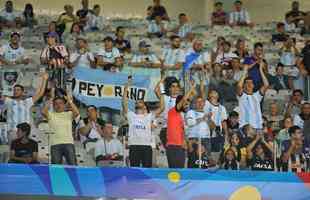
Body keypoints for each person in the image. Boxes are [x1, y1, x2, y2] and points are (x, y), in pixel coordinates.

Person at [122, 76, 164, 168]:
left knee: (147, 170)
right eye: (136, 102)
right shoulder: (131, 115)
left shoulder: (149, 116)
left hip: (146, 146)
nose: (138, 103)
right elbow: (124, 103)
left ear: (144, 106)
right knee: (134, 170)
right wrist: (126, 88)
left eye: (140, 102)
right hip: (134, 146)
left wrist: (161, 93)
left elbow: (162, 108)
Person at [1, 73, 48, 142]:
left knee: (26, 152)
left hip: (25, 132)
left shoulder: (28, 102)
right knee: (13, 152)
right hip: (13, 131)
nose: (15, 91)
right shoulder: (8, 101)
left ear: (23, 92)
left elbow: (40, 93)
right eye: (14, 90)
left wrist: (44, 79)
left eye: (18, 90)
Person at [42, 93, 80, 165]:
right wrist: (51, 99)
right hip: (55, 144)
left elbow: (77, 112)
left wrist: (70, 101)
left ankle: (74, 177)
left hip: (68, 143)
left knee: (73, 165)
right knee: (56, 168)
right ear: (53, 106)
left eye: (60, 103)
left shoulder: (68, 114)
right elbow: (43, 112)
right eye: (56, 104)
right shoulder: (51, 114)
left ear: (64, 105)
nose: (58, 105)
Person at [166, 81, 196, 168]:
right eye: (184, 103)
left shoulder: (181, 116)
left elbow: (182, 132)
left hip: (180, 147)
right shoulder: (172, 112)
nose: (186, 104)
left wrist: (186, 142)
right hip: (172, 146)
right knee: (173, 172)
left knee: (180, 172)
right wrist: (191, 88)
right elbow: (183, 99)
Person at [237, 58, 269, 131]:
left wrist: (260, 69)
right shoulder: (242, 95)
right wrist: (245, 72)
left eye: (251, 82)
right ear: (244, 85)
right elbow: (239, 86)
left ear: (254, 85)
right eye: (247, 83)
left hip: (258, 127)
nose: (249, 84)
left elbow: (266, 85)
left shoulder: (257, 95)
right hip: (245, 127)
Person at [154, 77, 180, 147]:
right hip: (165, 128)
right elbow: (156, 90)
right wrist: (162, 79)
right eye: (173, 86)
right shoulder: (165, 97)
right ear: (169, 88)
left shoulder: (181, 99)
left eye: (177, 87)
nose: (175, 88)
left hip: (176, 129)